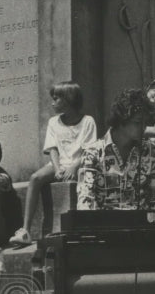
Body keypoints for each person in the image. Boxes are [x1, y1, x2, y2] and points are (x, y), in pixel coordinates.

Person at [11, 81, 97, 244]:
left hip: (80, 164)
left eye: (56, 98)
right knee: (35, 178)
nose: (52, 102)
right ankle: (25, 230)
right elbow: (52, 149)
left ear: (69, 99)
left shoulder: (87, 121)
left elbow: (89, 151)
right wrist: (57, 169)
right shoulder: (53, 122)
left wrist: (74, 166)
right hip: (59, 164)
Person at [77, 88, 155, 210]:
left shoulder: (152, 152)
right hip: (104, 226)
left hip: (141, 226)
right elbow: (85, 203)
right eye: (138, 122)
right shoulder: (92, 153)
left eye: (145, 123)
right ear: (121, 120)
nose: (143, 128)